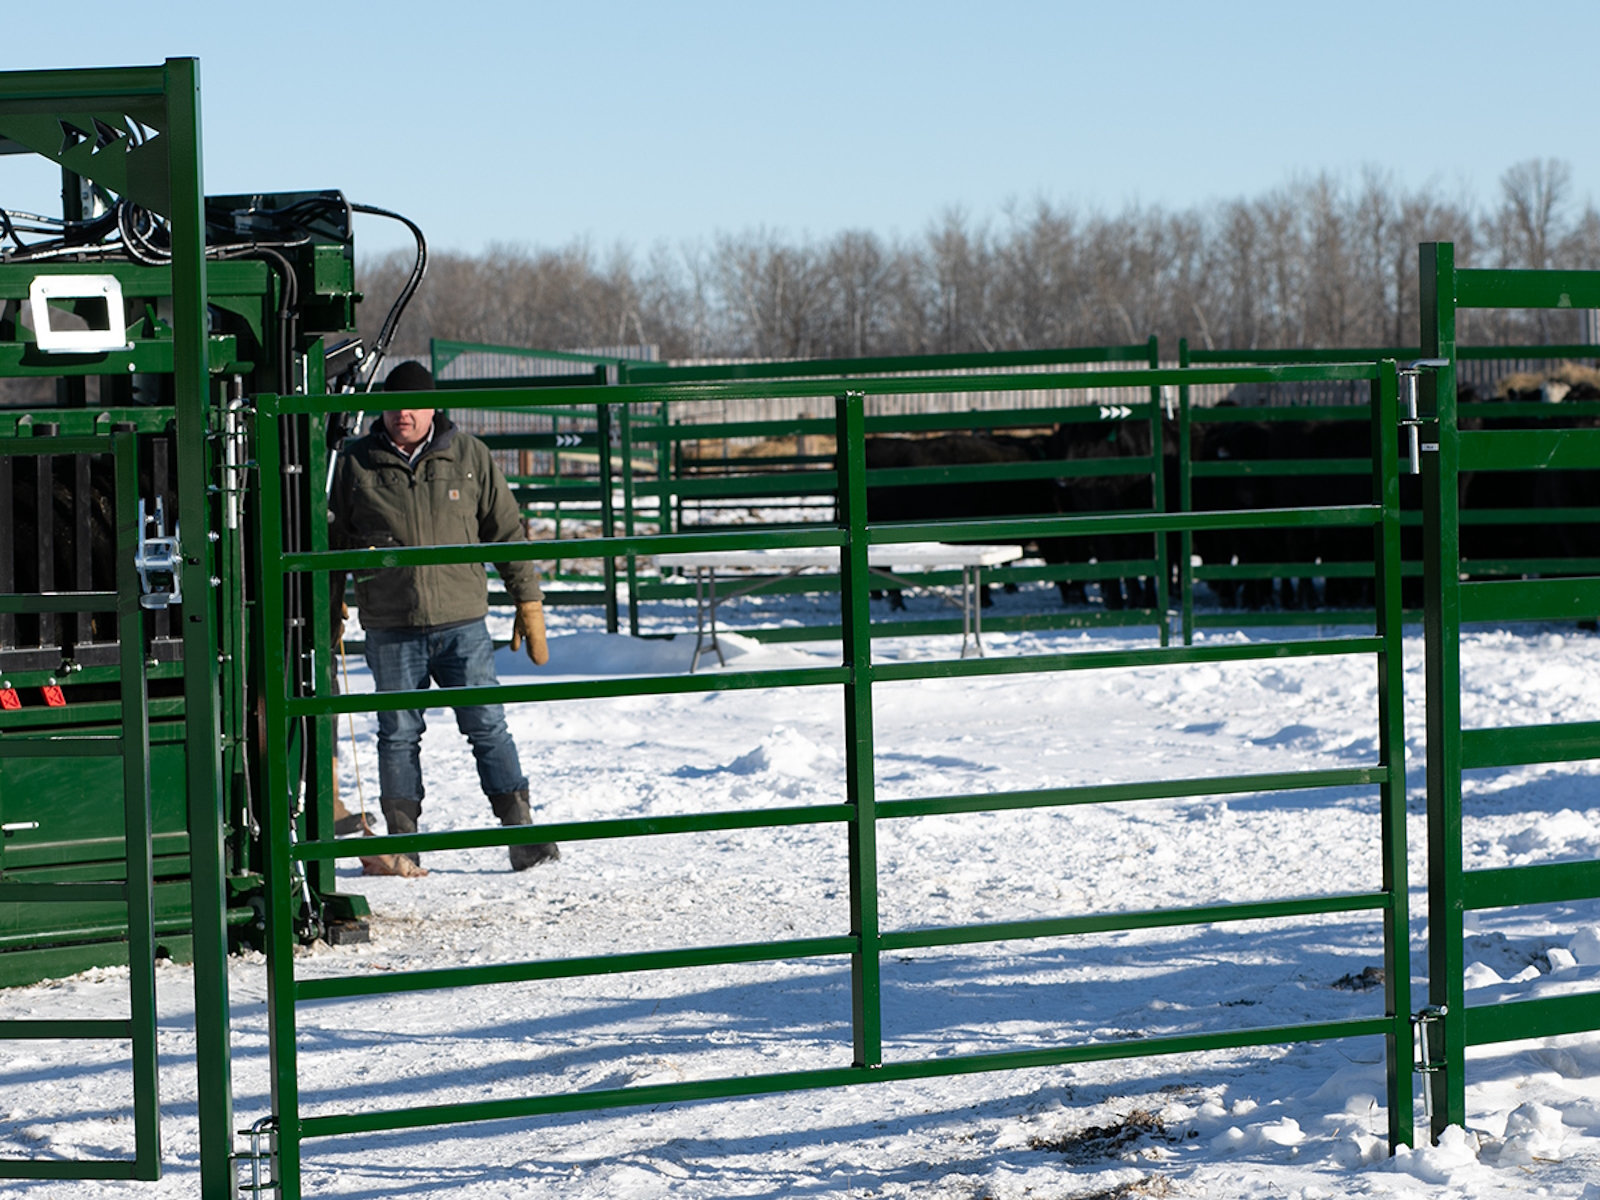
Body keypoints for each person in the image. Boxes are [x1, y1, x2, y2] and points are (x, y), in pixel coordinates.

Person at [329, 360, 558, 872]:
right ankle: (402, 845)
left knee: (488, 725)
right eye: (393, 406)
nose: (403, 415)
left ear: (433, 406)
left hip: (462, 622)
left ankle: (524, 834)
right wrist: (328, 604)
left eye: (413, 405)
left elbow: (506, 531)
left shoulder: (469, 455)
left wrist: (528, 600)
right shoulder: (355, 464)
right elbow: (334, 539)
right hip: (391, 625)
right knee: (397, 735)